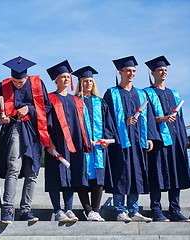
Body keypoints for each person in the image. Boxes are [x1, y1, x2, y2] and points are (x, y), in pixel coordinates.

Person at [103, 56, 160, 222]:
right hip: (120, 142)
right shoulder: (112, 93)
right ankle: (120, 210)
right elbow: (107, 118)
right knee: (121, 174)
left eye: (134, 71)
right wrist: (124, 123)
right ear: (120, 72)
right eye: (128, 70)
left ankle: (134, 210)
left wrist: (150, 137)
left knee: (137, 174)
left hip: (138, 141)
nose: (131, 73)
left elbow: (149, 117)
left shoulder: (141, 94)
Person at [0, 56, 51, 224]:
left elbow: (46, 107)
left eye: (20, 82)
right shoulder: (3, 85)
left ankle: (26, 209)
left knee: (32, 171)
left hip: (34, 131)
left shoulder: (37, 84)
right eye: (15, 81)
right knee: (13, 166)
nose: (17, 84)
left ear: (26, 77)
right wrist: (0, 115)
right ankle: (8, 209)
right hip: (14, 128)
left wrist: (30, 109)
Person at [143, 56, 190, 222]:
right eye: (160, 70)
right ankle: (156, 210)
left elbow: (180, 119)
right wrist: (162, 119)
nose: (163, 72)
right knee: (157, 174)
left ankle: (174, 210)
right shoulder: (146, 93)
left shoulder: (174, 93)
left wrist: (183, 140)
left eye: (165, 70)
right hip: (159, 141)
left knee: (175, 174)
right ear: (153, 72)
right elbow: (145, 118)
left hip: (175, 140)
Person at [45, 61, 91, 222]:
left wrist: (86, 143)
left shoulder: (77, 100)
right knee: (55, 176)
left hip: (75, 144)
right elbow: (45, 123)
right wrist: (49, 143)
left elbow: (82, 125)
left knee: (72, 175)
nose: (66, 79)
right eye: (62, 77)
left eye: (68, 77)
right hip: (56, 144)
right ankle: (58, 210)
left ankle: (69, 209)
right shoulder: (50, 98)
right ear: (56, 80)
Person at [73, 66, 118, 221]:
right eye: (85, 81)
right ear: (80, 83)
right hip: (81, 148)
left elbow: (108, 124)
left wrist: (107, 139)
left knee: (98, 178)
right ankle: (87, 210)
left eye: (91, 81)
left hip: (99, 148)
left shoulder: (100, 102)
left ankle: (96, 210)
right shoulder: (75, 102)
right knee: (83, 178)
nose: (88, 84)